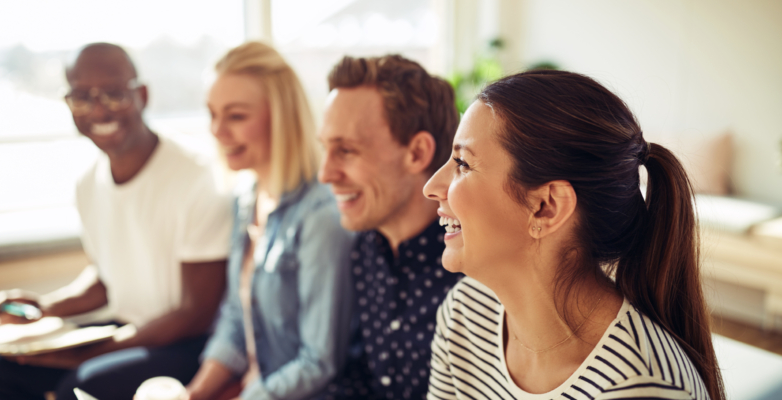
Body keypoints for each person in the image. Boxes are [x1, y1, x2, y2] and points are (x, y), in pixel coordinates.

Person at [422, 70, 725, 400]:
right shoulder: (466, 311)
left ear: (546, 207)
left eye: (462, 163)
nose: (431, 188)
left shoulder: (644, 388)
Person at [0, 43, 232, 400]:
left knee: (83, 380)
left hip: (190, 342)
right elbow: (107, 278)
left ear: (142, 95)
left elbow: (196, 314)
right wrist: (43, 309)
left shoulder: (199, 176)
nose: (99, 109)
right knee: (0, 367)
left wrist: (87, 353)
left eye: (114, 94)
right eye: (82, 97)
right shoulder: (87, 182)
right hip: (128, 329)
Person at [183, 41, 355, 400]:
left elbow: (318, 362)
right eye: (213, 114)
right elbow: (234, 316)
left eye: (236, 116)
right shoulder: (246, 197)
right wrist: (193, 394)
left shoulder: (321, 216)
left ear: (281, 117)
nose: (217, 130)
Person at [315, 55, 462, 400]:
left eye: (346, 150)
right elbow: (362, 375)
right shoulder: (365, 246)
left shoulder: (474, 267)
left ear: (417, 153)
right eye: (325, 149)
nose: (325, 174)